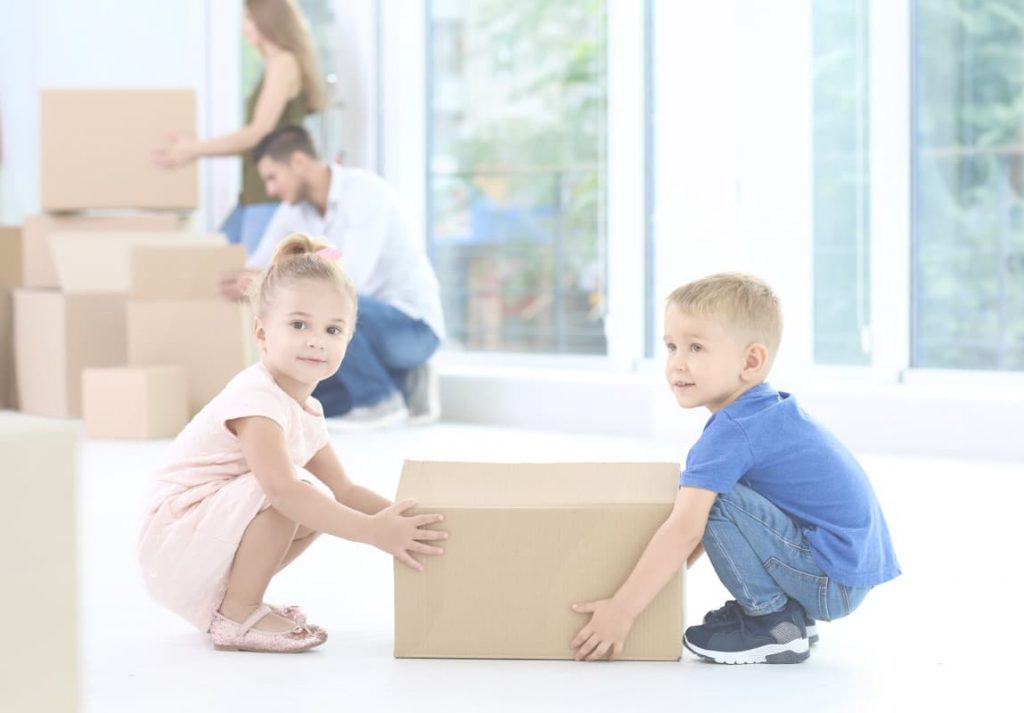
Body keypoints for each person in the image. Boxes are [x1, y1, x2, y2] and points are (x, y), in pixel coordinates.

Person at [137, 233, 447, 653]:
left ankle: (237, 600)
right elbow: (282, 491)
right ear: (262, 333)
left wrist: (409, 522)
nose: (316, 339)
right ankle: (237, 614)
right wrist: (374, 533)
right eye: (299, 324)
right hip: (175, 537)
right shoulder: (257, 400)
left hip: (205, 535)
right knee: (292, 494)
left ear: (348, 340)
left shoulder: (305, 409)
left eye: (332, 329)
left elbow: (347, 492)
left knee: (318, 505)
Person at [569, 273, 900, 664]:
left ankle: (773, 623)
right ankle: (789, 616)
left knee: (713, 500)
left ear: (751, 361)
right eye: (671, 346)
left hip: (828, 579)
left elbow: (686, 528)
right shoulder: (764, 412)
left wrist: (624, 608)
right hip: (841, 573)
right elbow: (693, 537)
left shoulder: (732, 433)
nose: (677, 363)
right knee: (709, 499)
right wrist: (658, 592)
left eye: (695, 347)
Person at [220, 125, 445, 428]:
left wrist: (280, 274)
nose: (271, 190)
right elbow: (261, 264)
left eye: (273, 177)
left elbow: (349, 278)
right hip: (357, 336)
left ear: (298, 162)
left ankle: (379, 400)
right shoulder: (294, 210)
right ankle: (403, 381)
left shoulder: (366, 192)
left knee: (330, 306)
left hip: (411, 330)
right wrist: (249, 280)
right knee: (312, 396)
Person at [153, 0, 325, 252]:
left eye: (250, 20)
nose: (245, 28)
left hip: (270, 193)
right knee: (219, 267)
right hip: (254, 192)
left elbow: (258, 133)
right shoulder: (275, 66)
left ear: (268, 21)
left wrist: (194, 149)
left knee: (246, 278)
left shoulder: (283, 64)